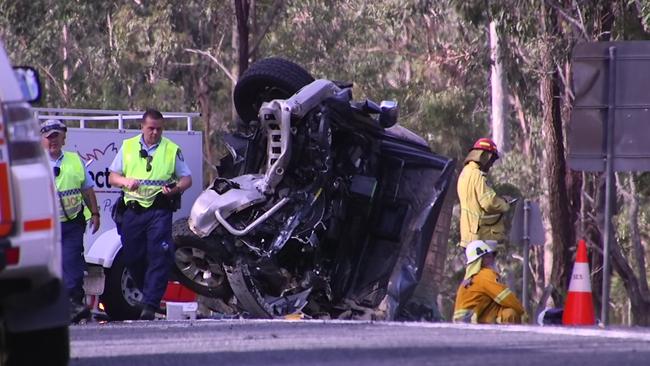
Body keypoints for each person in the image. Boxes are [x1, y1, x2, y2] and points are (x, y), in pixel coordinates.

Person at [108, 109, 192, 320]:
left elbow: (186, 179)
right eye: (151, 128)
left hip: (159, 209)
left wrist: (175, 189)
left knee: (159, 255)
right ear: (142, 127)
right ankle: (149, 293)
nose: (155, 133)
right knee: (132, 256)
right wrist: (125, 181)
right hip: (133, 210)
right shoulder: (127, 147)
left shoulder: (171, 149)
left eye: (159, 129)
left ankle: (151, 304)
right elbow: (112, 177)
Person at [40, 119, 100, 323]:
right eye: (49, 138)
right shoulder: (34, 163)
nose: (53, 141)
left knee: (72, 266)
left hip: (72, 223)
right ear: (42, 140)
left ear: (63, 138)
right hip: (44, 227)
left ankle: (75, 306)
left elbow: (87, 189)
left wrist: (95, 213)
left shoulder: (74, 160)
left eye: (56, 136)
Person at [457, 137, 511, 249]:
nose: (491, 165)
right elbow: (489, 202)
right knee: (484, 267)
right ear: (484, 156)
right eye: (491, 160)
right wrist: (505, 203)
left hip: (468, 236)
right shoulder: (477, 176)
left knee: (475, 267)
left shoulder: (465, 173)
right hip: (479, 238)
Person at [453, 240, 524, 324]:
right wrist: (522, 312)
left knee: (499, 308)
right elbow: (504, 297)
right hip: (470, 319)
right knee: (509, 314)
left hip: (465, 319)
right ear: (481, 260)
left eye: (493, 255)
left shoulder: (471, 277)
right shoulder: (485, 275)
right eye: (489, 256)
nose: (492, 259)